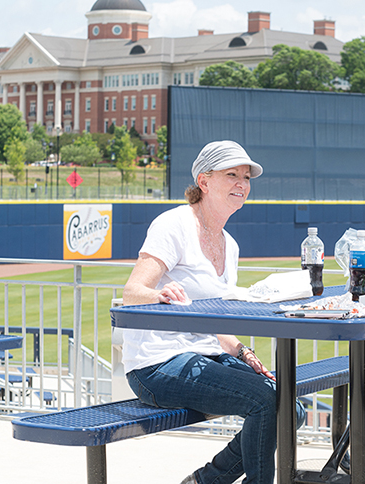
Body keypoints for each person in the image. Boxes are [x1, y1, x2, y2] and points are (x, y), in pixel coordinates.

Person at [121, 140, 306, 484]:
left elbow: (215, 319)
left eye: (246, 177)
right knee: (266, 401)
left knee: (291, 409)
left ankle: (207, 480)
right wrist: (158, 293)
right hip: (156, 365)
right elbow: (132, 292)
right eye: (231, 174)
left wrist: (242, 350)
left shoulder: (228, 243)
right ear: (203, 182)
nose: (242, 183)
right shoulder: (173, 225)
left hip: (203, 356)